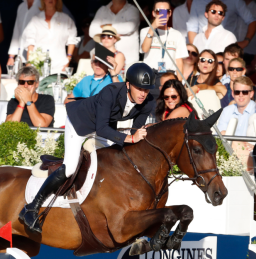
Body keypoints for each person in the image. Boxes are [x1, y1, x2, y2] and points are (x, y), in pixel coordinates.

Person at [19, 63, 157, 234]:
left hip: (104, 127)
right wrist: (129, 138)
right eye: (139, 88)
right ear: (128, 84)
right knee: (70, 168)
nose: (143, 93)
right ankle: (32, 207)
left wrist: (136, 139)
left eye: (146, 89)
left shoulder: (148, 102)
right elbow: (103, 129)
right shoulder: (110, 92)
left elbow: (135, 131)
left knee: (116, 158)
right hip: (80, 123)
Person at [23, 0, 78, 75]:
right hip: (38, 66)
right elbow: (30, 42)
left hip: (60, 65)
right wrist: (29, 64)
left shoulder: (66, 19)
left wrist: (68, 59)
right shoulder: (35, 19)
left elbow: (72, 40)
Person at [217, 76, 256, 171]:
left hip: (252, 157)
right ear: (233, 94)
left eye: (245, 92)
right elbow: (221, 134)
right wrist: (239, 143)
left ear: (251, 94)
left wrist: (237, 143)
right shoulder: (226, 110)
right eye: (237, 92)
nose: (241, 95)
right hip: (229, 154)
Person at [89, 0, 140, 74]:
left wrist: (106, 26)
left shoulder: (132, 10)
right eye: (103, 36)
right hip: (103, 60)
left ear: (115, 38)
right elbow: (92, 31)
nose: (106, 38)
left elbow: (130, 27)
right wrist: (118, 30)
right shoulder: (102, 10)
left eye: (110, 36)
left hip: (130, 61)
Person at [140, 1, 190, 76]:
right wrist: (153, 27)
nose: (162, 14)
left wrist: (180, 81)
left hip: (169, 74)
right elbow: (144, 49)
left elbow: (179, 62)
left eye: (166, 12)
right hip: (150, 73)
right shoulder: (145, 31)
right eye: (158, 11)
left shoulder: (177, 34)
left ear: (170, 13)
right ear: (153, 13)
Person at [187, 0, 256, 47]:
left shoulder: (235, 1)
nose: (216, 15)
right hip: (203, 47)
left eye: (220, 13)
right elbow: (192, 28)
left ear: (223, 17)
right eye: (213, 12)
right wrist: (196, 51)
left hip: (228, 47)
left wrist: (246, 41)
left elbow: (251, 20)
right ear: (206, 14)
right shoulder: (197, 1)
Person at [8, 0, 42, 67]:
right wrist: (11, 56)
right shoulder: (21, 6)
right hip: (21, 58)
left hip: (38, 58)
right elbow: (17, 31)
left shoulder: (43, 5)